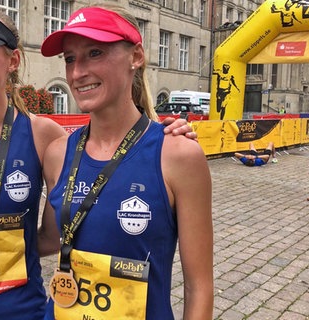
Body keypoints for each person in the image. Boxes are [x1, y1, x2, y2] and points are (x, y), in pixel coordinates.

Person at [0, 5, 196, 320]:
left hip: (24, 311)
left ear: (12, 61)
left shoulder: (46, 137)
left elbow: (61, 229)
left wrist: (164, 137)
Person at [40, 4, 213, 320]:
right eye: (70, 58)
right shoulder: (58, 153)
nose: (78, 72)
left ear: (136, 56)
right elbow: (48, 240)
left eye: (95, 53)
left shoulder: (178, 154)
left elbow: (198, 286)